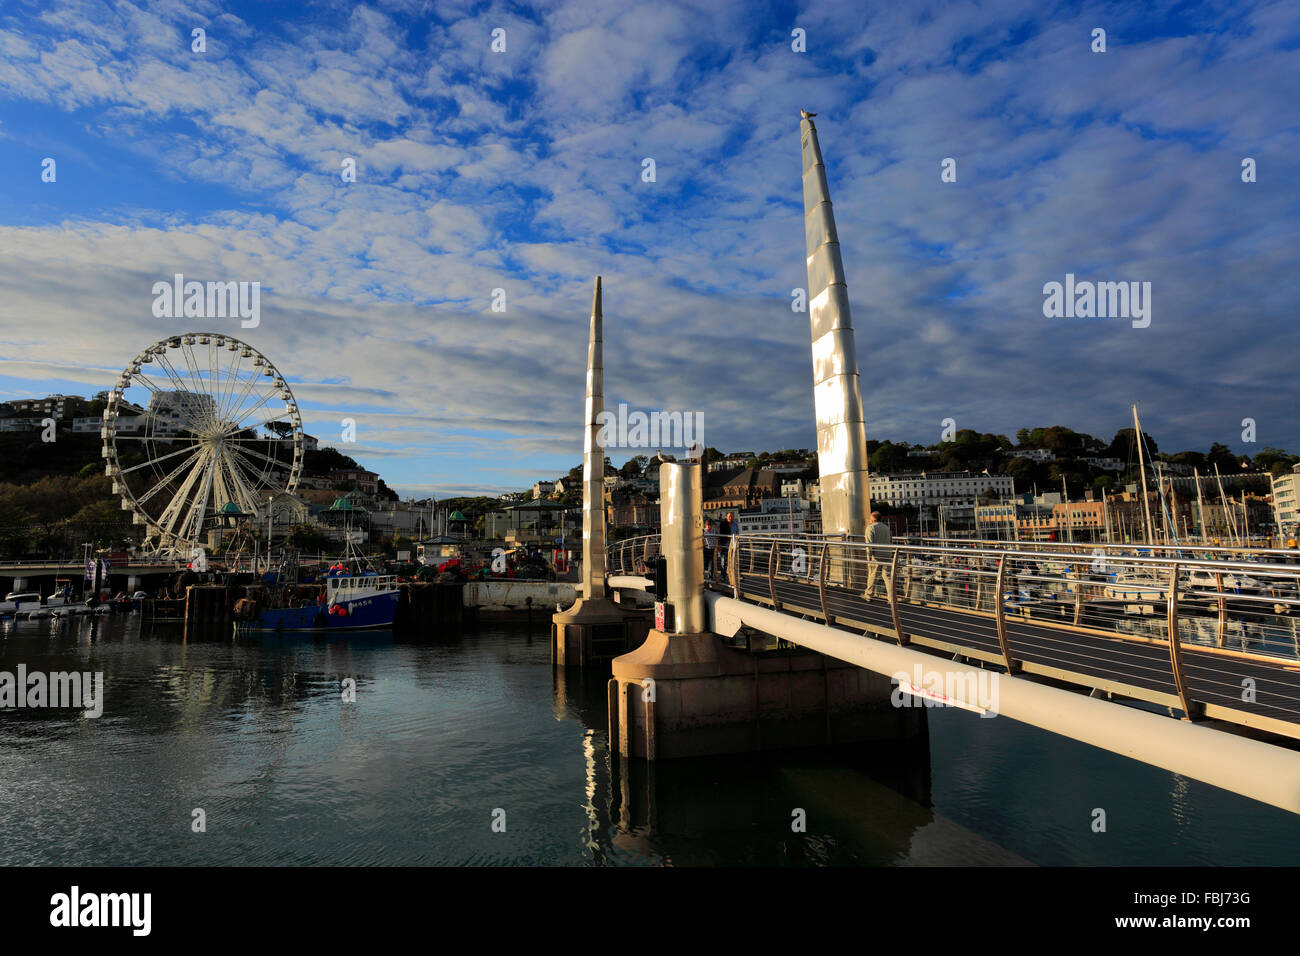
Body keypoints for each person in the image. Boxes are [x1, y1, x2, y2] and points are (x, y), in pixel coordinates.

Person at [862, 510, 892, 600]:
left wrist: (869, 558)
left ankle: (869, 594)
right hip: (887, 555)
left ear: (872, 519)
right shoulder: (886, 528)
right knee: (887, 577)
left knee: (873, 575)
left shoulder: (870, 528)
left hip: (876, 556)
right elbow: (890, 540)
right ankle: (891, 598)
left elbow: (869, 545)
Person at [717, 512, 733, 578]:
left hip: (732, 545)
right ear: (726, 517)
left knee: (732, 560)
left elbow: (737, 532)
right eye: (729, 516)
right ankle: (723, 575)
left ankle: (731, 574)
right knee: (723, 561)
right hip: (724, 544)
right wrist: (720, 544)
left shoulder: (735, 524)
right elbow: (720, 534)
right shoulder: (723, 524)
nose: (730, 518)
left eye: (731, 516)